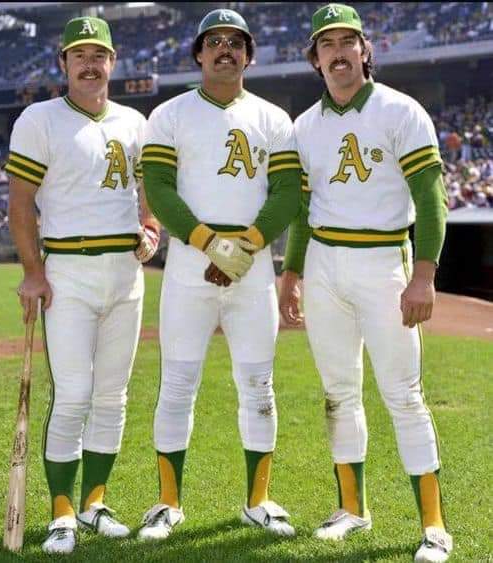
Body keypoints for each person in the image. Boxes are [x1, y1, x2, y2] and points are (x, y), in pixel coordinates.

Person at [279, 4, 453, 563]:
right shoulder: (304, 126)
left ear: (365, 50)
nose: (338, 52)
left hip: (384, 262)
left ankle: (434, 526)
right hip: (326, 264)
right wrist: (292, 274)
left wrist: (423, 274)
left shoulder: (402, 111)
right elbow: (304, 212)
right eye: (326, 44)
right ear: (315, 59)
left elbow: (431, 198)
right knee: (338, 391)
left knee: (403, 394)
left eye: (347, 41)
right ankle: (352, 509)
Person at [138, 8, 301, 541]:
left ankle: (259, 500)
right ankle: (167, 504)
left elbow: (286, 195)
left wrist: (245, 248)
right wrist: (211, 244)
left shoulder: (275, 119)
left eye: (236, 43)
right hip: (191, 258)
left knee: (258, 385)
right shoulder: (170, 114)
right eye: (215, 42)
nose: (226, 50)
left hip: (251, 266)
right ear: (200, 54)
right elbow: (159, 190)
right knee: (178, 384)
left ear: (249, 55)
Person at [6, 16, 160, 555]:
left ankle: (94, 502)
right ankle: (62, 512)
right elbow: (21, 203)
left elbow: (148, 196)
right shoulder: (38, 119)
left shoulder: (135, 122)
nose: (90, 65)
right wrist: (32, 271)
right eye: (79, 56)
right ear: (65, 65)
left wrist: (151, 230)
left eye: (99, 55)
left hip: (125, 273)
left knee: (112, 396)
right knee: (72, 395)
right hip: (68, 270)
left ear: (113, 62)